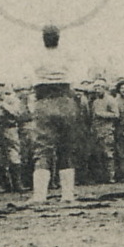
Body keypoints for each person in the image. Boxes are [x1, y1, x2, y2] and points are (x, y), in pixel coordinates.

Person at [28, 25, 80, 202]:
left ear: (43, 38)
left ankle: (40, 196)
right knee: (66, 148)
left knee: (42, 150)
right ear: (59, 38)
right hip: (66, 101)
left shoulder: (36, 56)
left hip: (44, 101)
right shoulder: (68, 55)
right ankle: (67, 195)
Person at [0, 84, 24, 193]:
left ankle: (17, 184)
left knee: (14, 154)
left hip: (10, 129)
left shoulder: (12, 100)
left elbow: (17, 114)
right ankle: (3, 185)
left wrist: (4, 105)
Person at [90, 78, 119, 183]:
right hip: (97, 131)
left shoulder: (111, 100)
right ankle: (101, 177)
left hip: (107, 131)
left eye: (100, 87)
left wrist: (102, 114)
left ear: (105, 88)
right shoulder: (95, 101)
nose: (97, 90)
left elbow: (116, 114)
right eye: (96, 88)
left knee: (108, 154)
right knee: (98, 155)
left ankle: (111, 176)